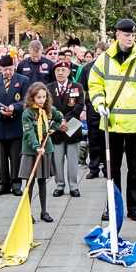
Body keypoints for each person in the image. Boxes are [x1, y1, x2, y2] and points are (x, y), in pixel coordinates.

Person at [88, 19, 136, 222]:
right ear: (117, 35)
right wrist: (99, 103)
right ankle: (113, 206)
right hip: (111, 123)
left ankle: (134, 207)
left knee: (135, 168)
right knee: (112, 169)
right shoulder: (104, 59)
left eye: (133, 35)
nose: (130, 38)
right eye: (127, 35)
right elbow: (94, 84)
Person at [0, 54, 30, 197]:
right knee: (1, 157)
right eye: (5, 69)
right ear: (0, 67)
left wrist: (13, 107)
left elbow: (26, 100)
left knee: (15, 156)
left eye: (10, 69)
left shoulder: (23, 80)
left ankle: (16, 183)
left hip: (15, 123)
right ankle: (3, 183)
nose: (8, 72)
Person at [20, 82, 62, 223]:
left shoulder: (49, 110)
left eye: (44, 97)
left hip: (46, 149)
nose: (41, 100)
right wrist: (37, 146)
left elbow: (59, 118)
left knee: (42, 181)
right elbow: (29, 132)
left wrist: (54, 128)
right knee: (29, 183)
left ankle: (44, 211)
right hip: (31, 150)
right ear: (32, 98)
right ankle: (27, 212)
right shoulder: (27, 113)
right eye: (38, 97)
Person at [47, 61, 85, 198]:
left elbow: (79, 105)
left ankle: (73, 186)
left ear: (69, 72)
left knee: (73, 160)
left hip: (72, 127)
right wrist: (59, 121)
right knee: (57, 160)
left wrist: (66, 119)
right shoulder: (49, 88)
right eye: (57, 70)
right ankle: (59, 185)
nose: (60, 73)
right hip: (56, 128)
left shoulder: (77, 87)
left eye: (63, 70)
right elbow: (47, 107)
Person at [78, 41, 108, 180]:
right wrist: (83, 107)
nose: (99, 57)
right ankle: (94, 167)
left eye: (102, 54)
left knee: (107, 138)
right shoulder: (87, 68)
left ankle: (108, 168)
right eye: (97, 54)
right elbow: (83, 89)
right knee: (94, 137)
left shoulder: (110, 67)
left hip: (108, 107)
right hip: (92, 106)